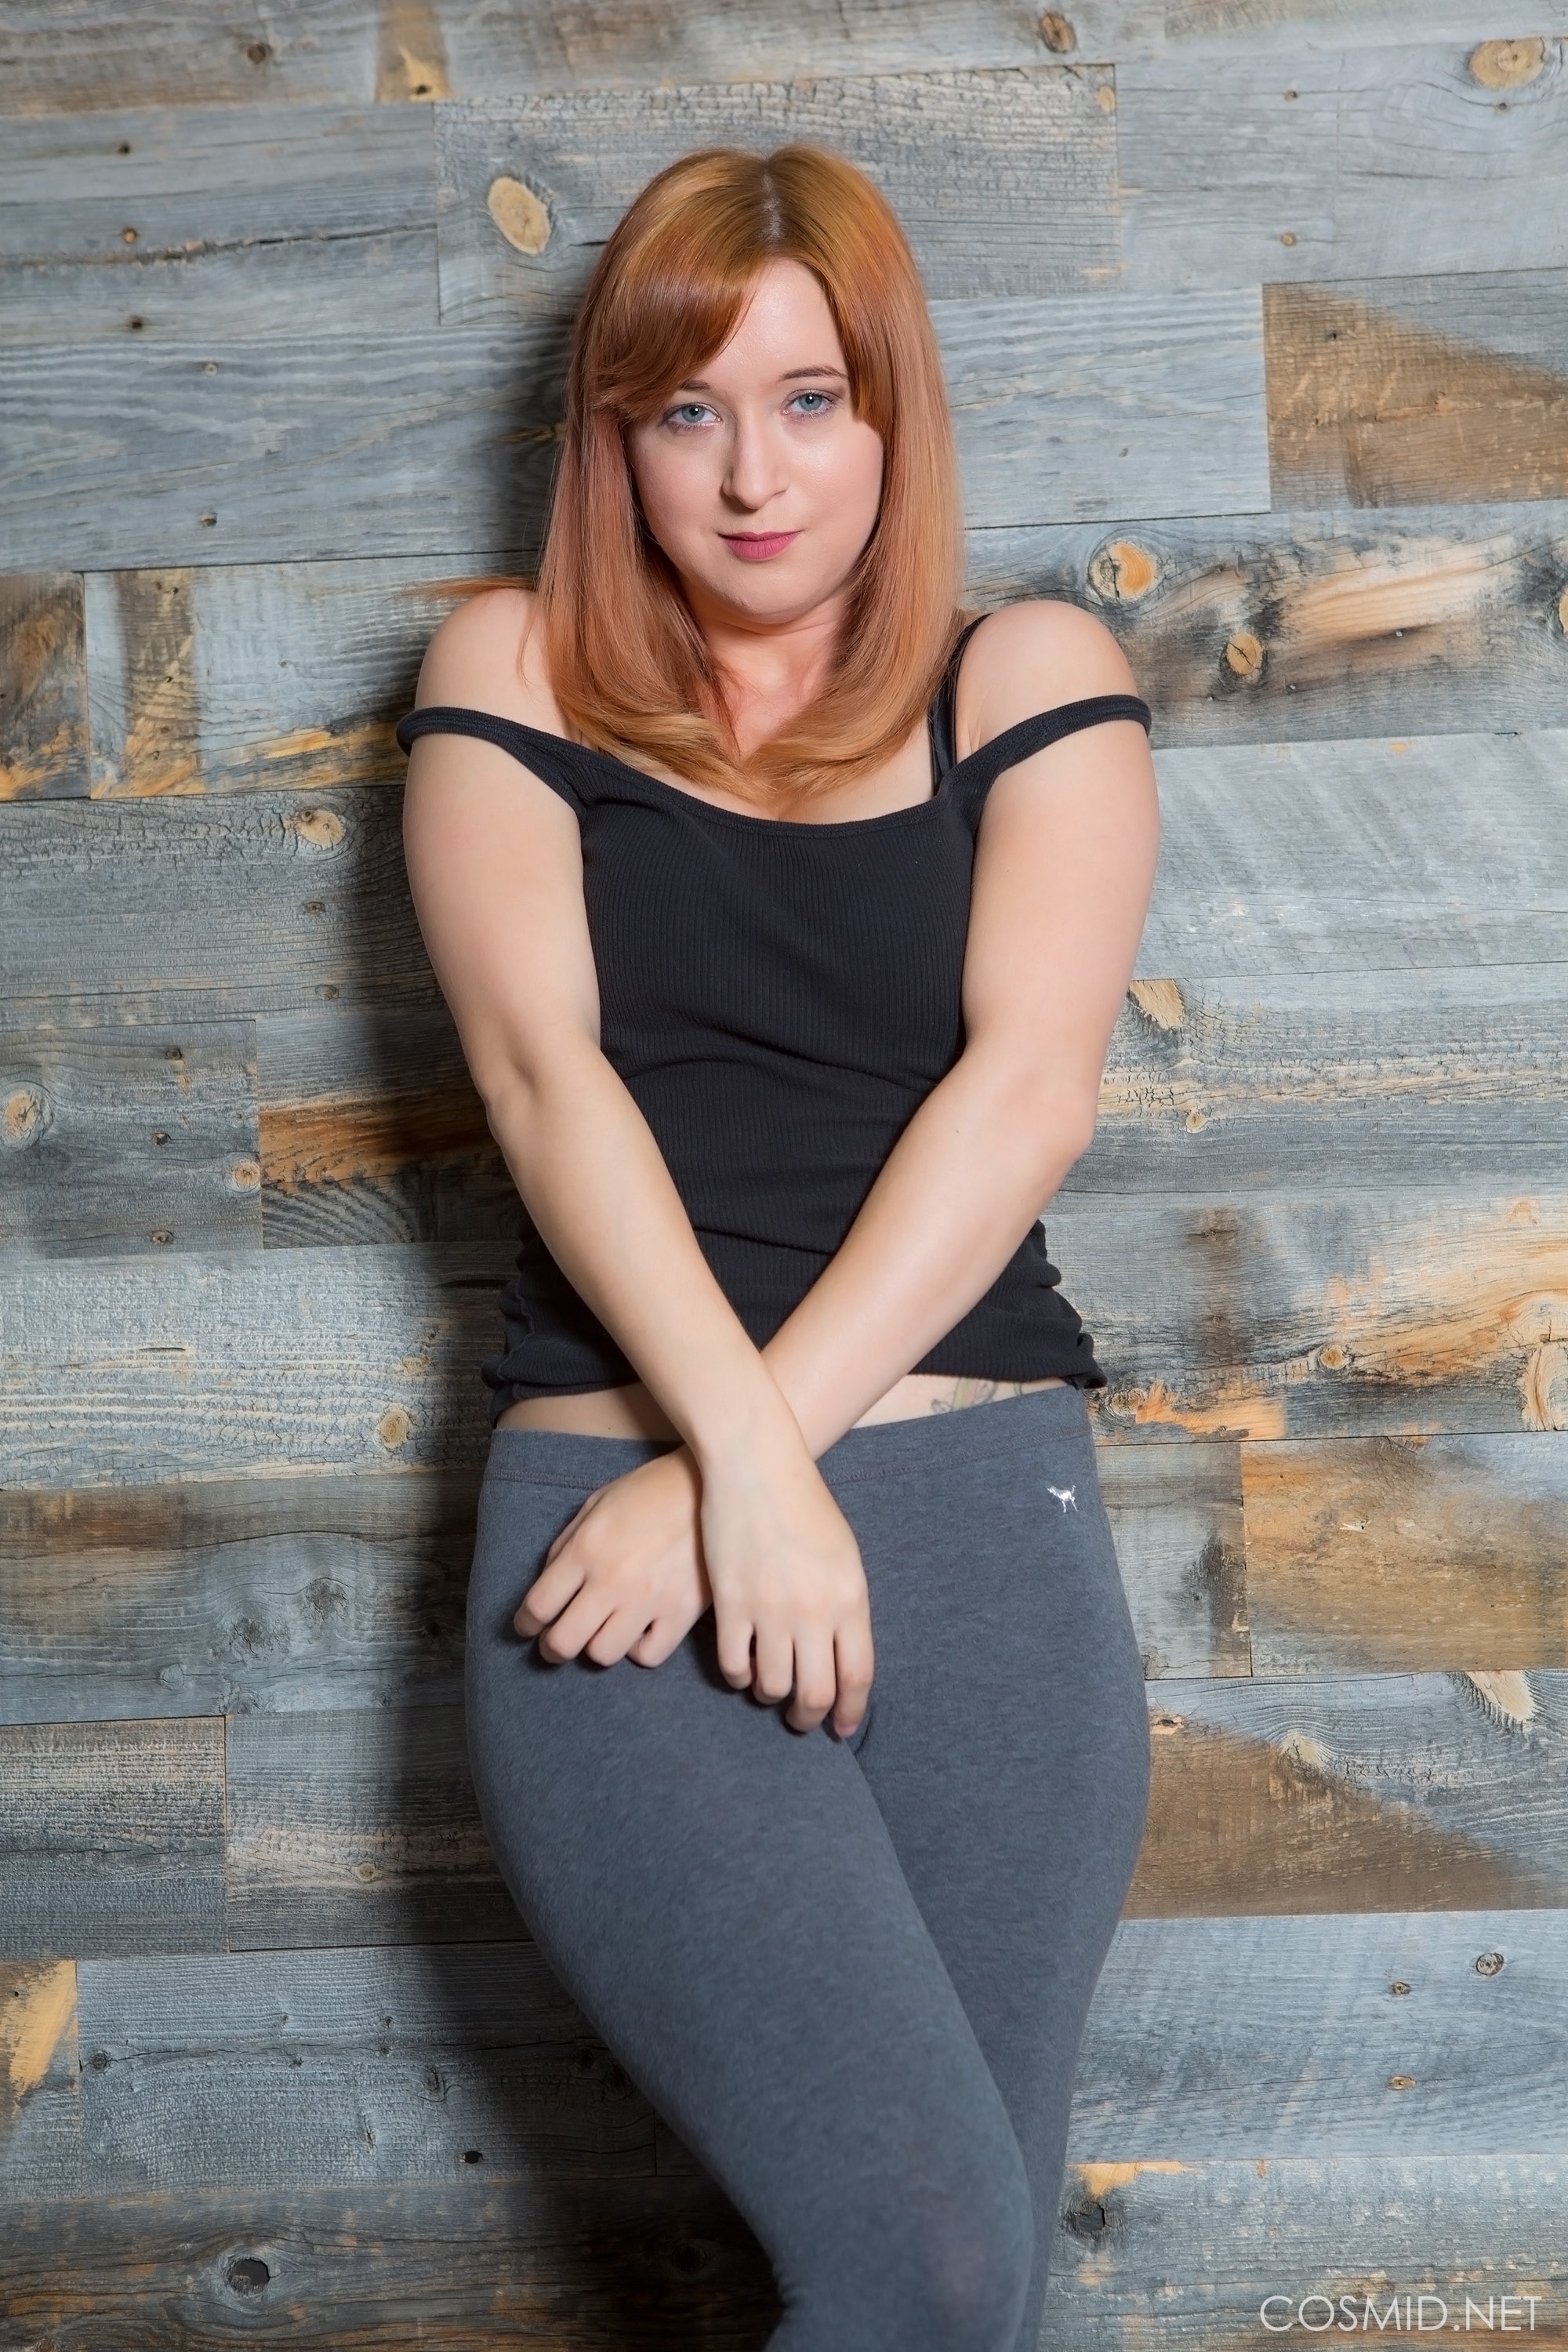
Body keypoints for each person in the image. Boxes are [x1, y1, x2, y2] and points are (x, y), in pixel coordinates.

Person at [397, 143, 1159, 2352]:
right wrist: (731, 1470)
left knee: (969, 2283)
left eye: (811, 399)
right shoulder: (514, 665)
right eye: (688, 410)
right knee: (919, 2268)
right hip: (613, 1550)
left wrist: (754, 1459)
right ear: (613, 436)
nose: (752, 474)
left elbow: (1027, 1093)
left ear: (894, 417)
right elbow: (548, 1081)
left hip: (974, 1526)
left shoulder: (1027, 671)